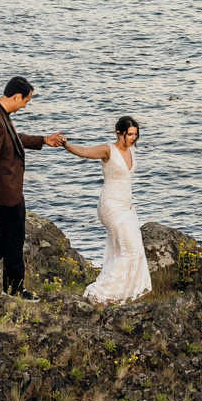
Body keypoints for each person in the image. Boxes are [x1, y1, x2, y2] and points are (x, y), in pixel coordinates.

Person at [0, 76, 66, 300]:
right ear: (17, 96)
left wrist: (43, 140)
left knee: (6, 235)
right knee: (13, 237)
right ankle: (11, 288)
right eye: (25, 101)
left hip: (7, 190)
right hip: (3, 192)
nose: (25, 106)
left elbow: (12, 139)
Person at [60, 115, 151, 304]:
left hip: (126, 206)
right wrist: (67, 146)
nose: (133, 138)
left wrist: (129, 203)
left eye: (136, 134)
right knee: (131, 252)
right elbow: (84, 152)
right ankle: (98, 292)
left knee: (124, 251)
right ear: (119, 133)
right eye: (130, 135)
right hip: (110, 205)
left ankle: (114, 294)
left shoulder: (132, 151)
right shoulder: (108, 150)